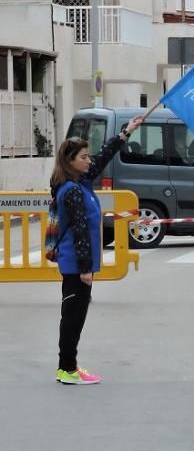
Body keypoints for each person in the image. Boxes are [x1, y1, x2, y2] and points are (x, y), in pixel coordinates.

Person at [50, 115, 145, 385]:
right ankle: (66, 368)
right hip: (75, 264)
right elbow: (80, 230)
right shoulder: (73, 191)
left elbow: (102, 158)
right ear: (70, 162)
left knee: (75, 316)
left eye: (88, 156)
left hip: (77, 263)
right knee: (72, 317)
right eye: (83, 157)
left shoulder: (79, 182)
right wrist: (85, 269)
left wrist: (126, 133)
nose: (89, 161)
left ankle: (69, 365)